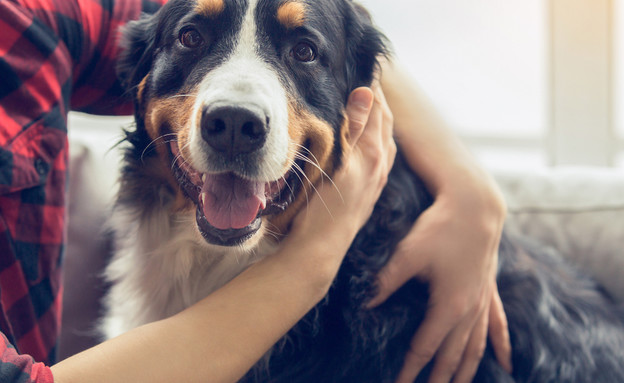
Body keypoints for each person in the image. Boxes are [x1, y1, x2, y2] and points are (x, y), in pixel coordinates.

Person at [0, 0, 510, 382]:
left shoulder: (28, 19)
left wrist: (470, 189)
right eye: (193, 39)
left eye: (304, 50)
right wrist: (313, 259)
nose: (236, 107)